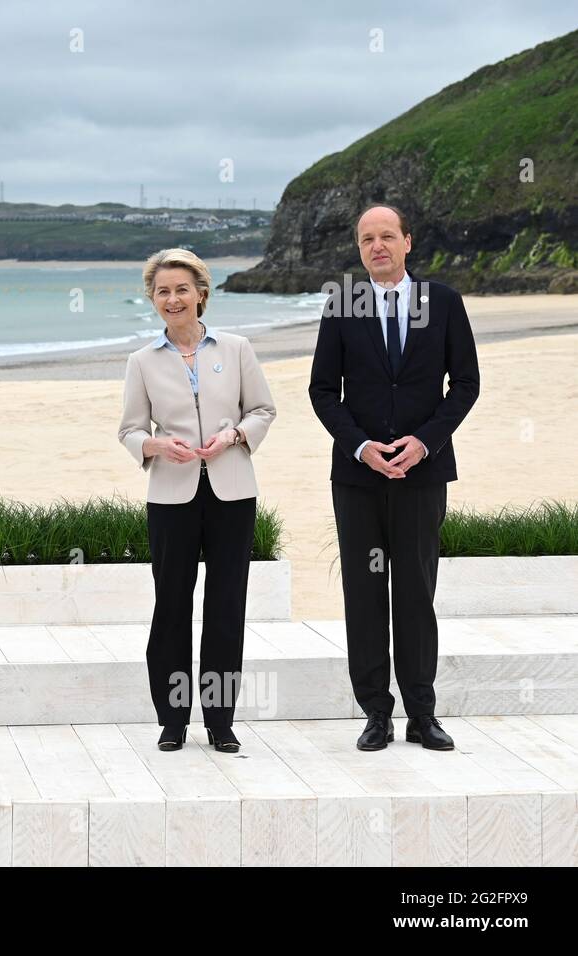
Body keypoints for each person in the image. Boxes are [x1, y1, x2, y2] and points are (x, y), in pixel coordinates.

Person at [308, 203, 480, 752]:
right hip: (358, 478)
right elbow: (322, 391)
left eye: (386, 236)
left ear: (408, 241)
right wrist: (360, 447)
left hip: (422, 474)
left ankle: (421, 714)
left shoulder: (444, 302)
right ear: (359, 249)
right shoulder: (342, 304)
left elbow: (466, 384)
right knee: (363, 594)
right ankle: (375, 714)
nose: (376, 246)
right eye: (366, 239)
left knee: (415, 593)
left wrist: (424, 442)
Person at [118, 249, 276, 753]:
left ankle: (220, 720)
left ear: (201, 293)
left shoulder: (236, 349)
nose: (172, 299)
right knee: (171, 606)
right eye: (162, 291)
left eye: (181, 289)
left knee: (226, 606)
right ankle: (172, 718)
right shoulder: (142, 361)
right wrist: (156, 445)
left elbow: (263, 409)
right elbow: (129, 429)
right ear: (153, 299)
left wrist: (233, 438)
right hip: (171, 494)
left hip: (232, 492)